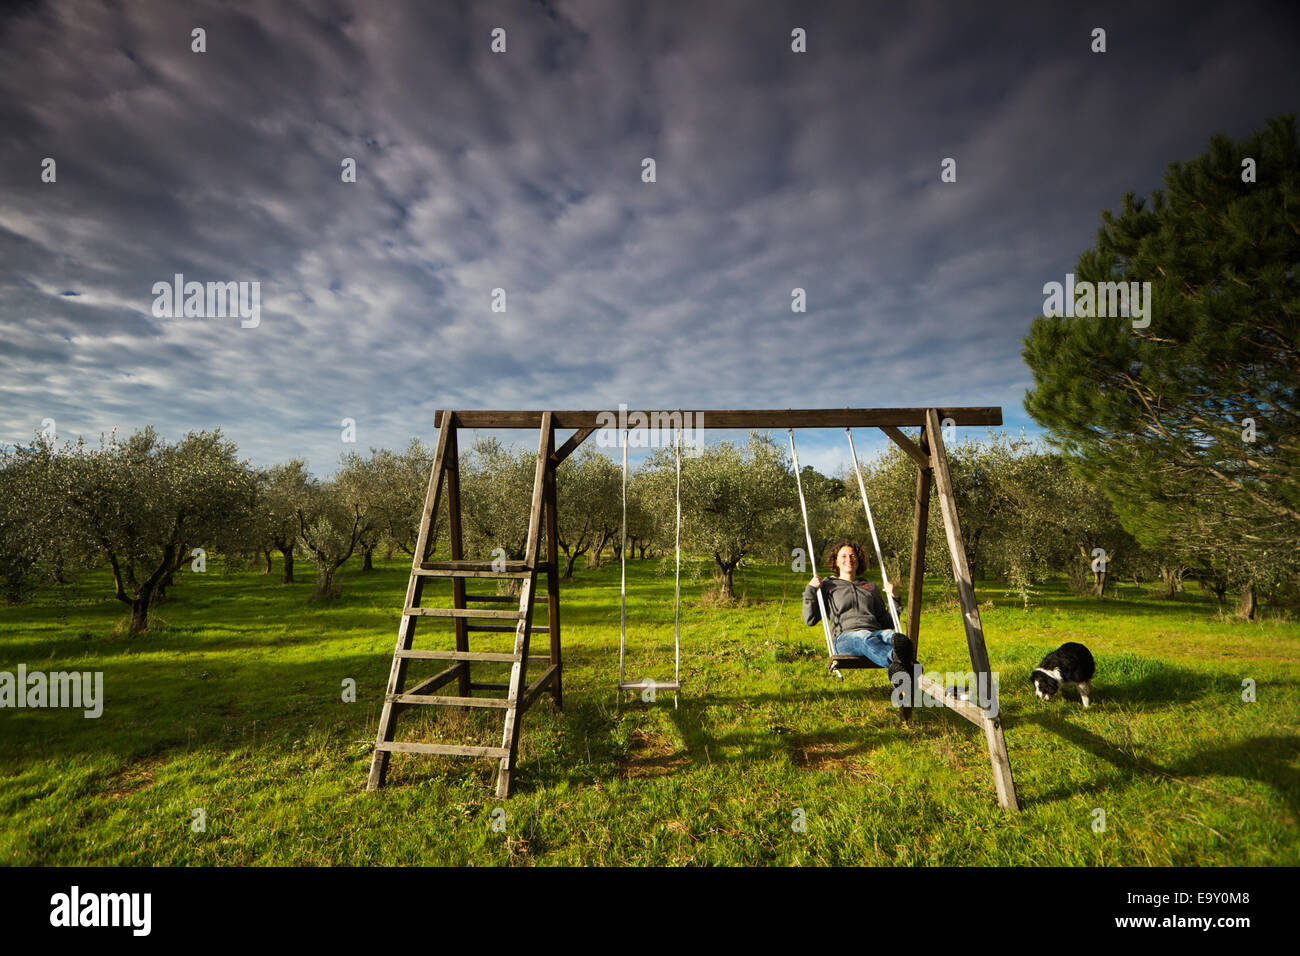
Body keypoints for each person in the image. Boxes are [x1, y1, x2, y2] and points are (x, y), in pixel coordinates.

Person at [803, 538, 919, 716]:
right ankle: (898, 662)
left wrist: (895, 599)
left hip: (875, 632)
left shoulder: (869, 587)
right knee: (864, 637)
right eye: (843, 556)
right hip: (846, 638)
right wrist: (811, 589)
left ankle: (902, 670)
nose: (848, 559)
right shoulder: (827, 586)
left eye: (852, 555)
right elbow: (810, 619)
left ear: (858, 560)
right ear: (836, 561)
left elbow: (886, 622)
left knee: (891, 635)